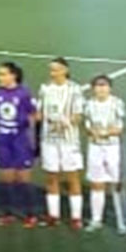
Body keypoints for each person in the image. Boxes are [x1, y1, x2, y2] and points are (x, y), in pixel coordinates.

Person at [0, 62, 38, 227]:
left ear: (13, 75)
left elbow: (33, 114)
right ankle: (7, 213)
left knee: (23, 179)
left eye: (3, 74)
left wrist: (27, 129)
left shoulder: (24, 93)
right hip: (3, 141)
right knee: (6, 178)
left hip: (20, 141)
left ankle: (30, 214)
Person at [36, 58, 85, 229]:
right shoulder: (45, 88)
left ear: (65, 70)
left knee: (72, 177)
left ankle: (76, 217)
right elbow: (40, 113)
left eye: (56, 69)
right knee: (51, 177)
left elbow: (78, 115)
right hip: (49, 140)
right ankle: (53, 215)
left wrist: (64, 123)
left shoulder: (75, 89)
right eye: (51, 70)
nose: (53, 73)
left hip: (68, 141)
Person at [83, 75, 126, 234]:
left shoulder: (117, 103)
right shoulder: (89, 104)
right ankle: (96, 219)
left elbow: (120, 127)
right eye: (98, 85)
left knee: (116, 184)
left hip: (112, 148)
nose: (101, 88)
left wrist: (106, 133)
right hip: (95, 148)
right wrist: (92, 132)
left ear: (110, 88)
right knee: (97, 183)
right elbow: (87, 125)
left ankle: (121, 221)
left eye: (104, 85)